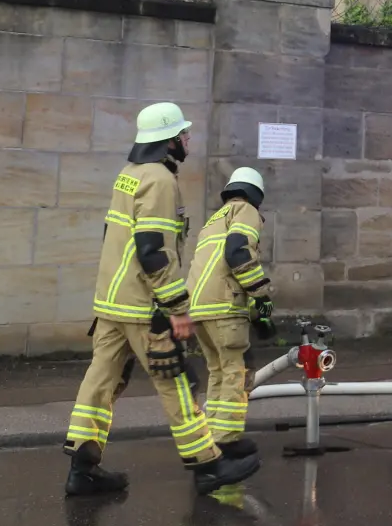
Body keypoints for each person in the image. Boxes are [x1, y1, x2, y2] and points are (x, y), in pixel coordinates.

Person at [62, 102, 260, 496]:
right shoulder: (160, 181)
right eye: (183, 135)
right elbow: (152, 249)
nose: (188, 140)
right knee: (175, 380)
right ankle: (207, 466)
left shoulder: (128, 175)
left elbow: (113, 238)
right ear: (169, 141)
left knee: (100, 381)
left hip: (111, 302)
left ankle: (82, 468)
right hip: (142, 304)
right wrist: (176, 308)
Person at [186, 167, 276, 461]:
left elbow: (217, 271)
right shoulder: (246, 211)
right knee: (238, 370)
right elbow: (238, 254)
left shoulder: (212, 220)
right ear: (256, 195)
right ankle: (227, 440)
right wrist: (262, 300)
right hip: (224, 308)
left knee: (218, 371)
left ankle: (213, 435)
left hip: (198, 308)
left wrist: (254, 314)